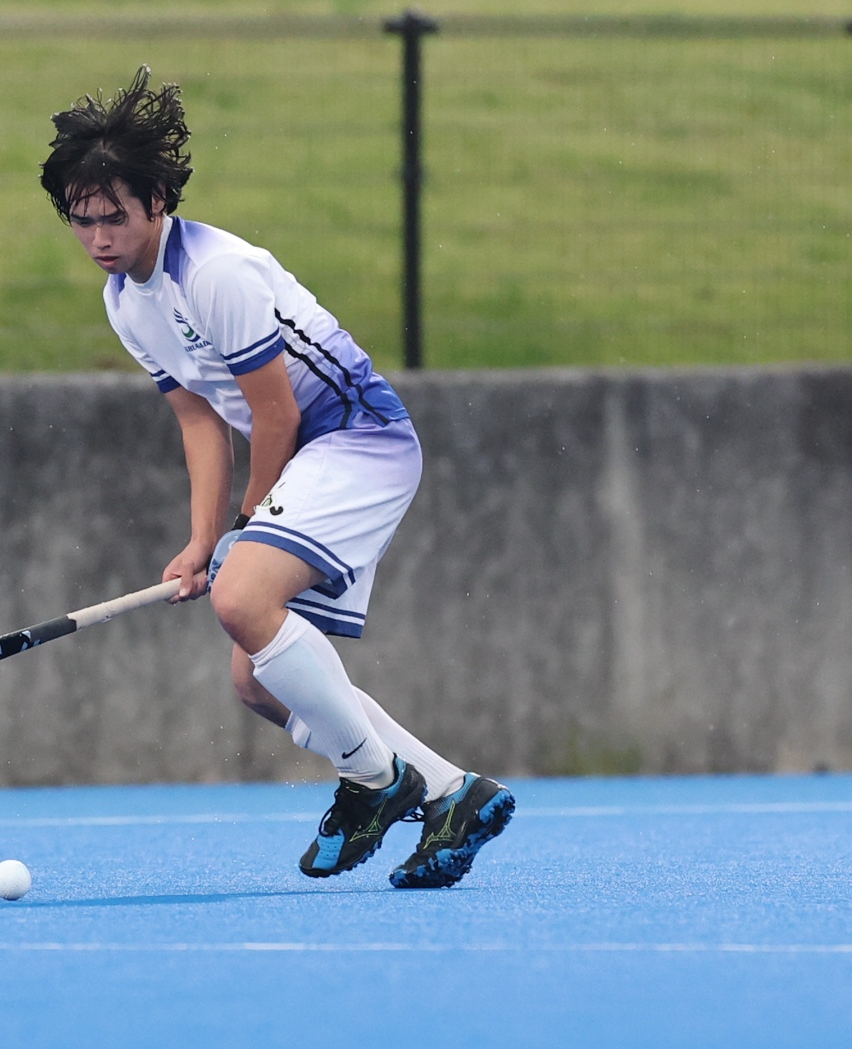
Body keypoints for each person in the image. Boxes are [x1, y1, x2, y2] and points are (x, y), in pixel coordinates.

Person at [41, 71, 513, 887]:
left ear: (157, 201)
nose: (99, 238)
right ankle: (451, 793)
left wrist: (247, 527)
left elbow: (276, 413)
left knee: (241, 601)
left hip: (357, 441)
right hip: (307, 455)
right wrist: (202, 541)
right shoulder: (125, 302)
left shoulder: (214, 273)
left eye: (115, 217)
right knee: (259, 682)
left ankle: (374, 781)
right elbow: (200, 421)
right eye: (82, 220)